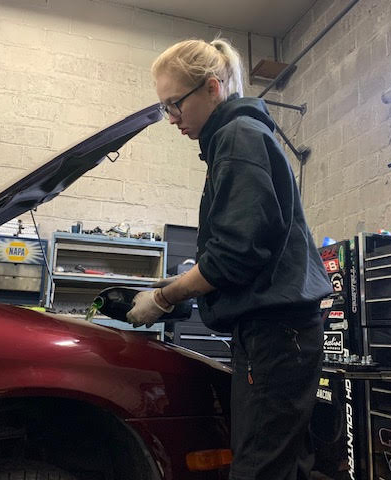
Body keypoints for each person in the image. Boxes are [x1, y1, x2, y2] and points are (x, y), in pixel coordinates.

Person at [126, 37, 332, 480]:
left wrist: (164, 298)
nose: (171, 118)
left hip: (276, 336)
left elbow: (235, 255)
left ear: (213, 88)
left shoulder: (239, 138)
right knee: (285, 467)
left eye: (175, 104)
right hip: (282, 335)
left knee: (258, 469)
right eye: (165, 108)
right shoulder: (236, 139)